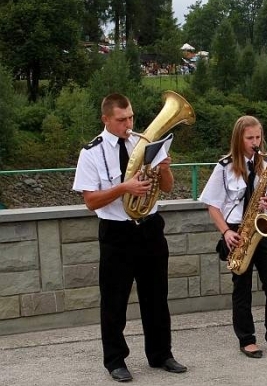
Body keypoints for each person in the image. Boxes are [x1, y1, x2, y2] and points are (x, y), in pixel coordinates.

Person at [72, 93, 187, 382]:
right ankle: (115, 361)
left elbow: (168, 188)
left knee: (157, 297)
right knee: (114, 301)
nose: (129, 124)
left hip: (150, 227)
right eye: (122, 119)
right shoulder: (92, 152)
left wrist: (164, 168)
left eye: (131, 117)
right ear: (106, 119)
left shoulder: (145, 144)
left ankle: (161, 354)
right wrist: (124, 188)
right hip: (117, 233)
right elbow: (90, 201)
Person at [199, 115, 267, 358]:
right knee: (242, 288)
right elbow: (212, 205)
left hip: (261, 227)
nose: (255, 142)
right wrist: (226, 231)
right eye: (250, 138)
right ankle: (246, 339)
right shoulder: (225, 167)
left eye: (258, 137)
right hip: (237, 229)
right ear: (239, 139)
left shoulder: (266, 165)